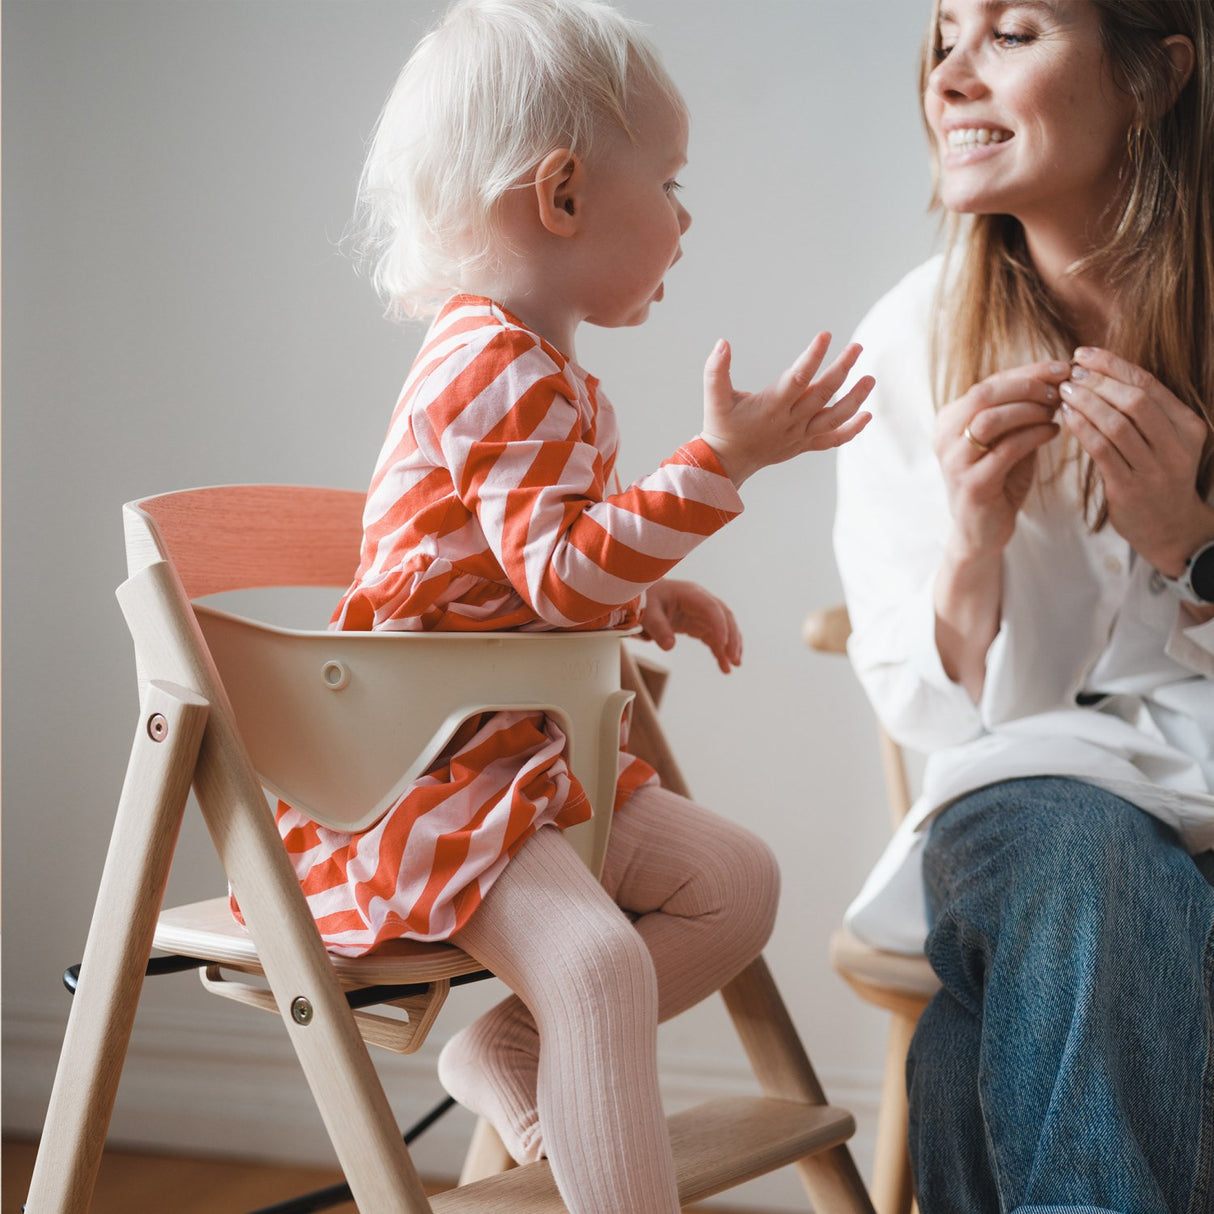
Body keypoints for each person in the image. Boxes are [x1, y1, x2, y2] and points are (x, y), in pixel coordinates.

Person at [265, 2, 872, 1211]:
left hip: (516, 758)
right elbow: (555, 575)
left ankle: (513, 1051)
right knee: (597, 964)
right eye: (671, 183)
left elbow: (525, 576)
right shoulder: (484, 361)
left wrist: (638, 593)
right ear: (561, 195)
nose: (686, 221)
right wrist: (721, 464)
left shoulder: (542, 371)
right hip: (421, 778)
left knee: (733, 882)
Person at [832, 1, 1214, 1211]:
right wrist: (970, 546)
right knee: (1078, 858)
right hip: (1032, 810)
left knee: (965, 1046)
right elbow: (928, 716)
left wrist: (1190, 547)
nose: (948, 73)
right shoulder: (906, 342)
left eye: (1011, 32)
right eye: (943, 32)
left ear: (1153, 79)